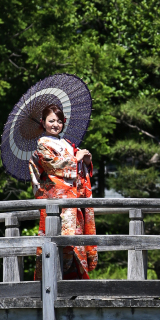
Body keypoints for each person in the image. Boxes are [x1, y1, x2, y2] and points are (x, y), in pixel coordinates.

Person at [29, 103, 97, 279]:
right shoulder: (42, 145)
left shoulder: (66, 143)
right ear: (43, 122)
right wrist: (76, 159)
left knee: (76, 242)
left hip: (73, 201)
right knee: (57, 243)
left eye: (59, 121)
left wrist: (86, 162)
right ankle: (52, 282)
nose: (55, 124)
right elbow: (53, 167)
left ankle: (76, 285)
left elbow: (77, 169)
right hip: (56, 203)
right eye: (51, 121)